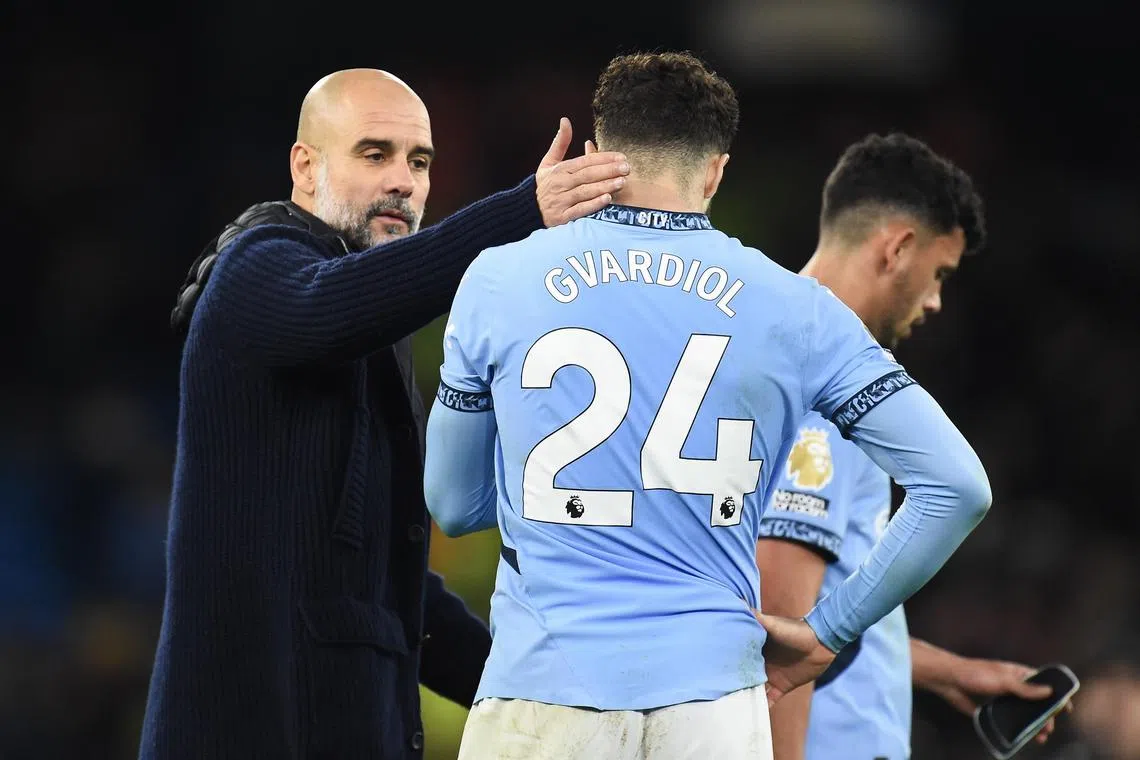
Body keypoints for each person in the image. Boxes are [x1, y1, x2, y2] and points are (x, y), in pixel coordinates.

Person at [422, 51, 991, 760]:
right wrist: (827, 633)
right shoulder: (795, 309)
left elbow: (452, 502)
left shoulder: (498, 278)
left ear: (597, 154)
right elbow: (958, 487)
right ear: (717, 170)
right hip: (713, 708)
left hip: (542, 695)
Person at [139, 68, 630, 760]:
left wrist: (548, 698)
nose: (404, 180)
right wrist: (522, 213)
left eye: (420, 161)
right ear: (305, 168)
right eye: (375, 155)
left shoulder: (379, 330)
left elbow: (393, 595)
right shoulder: (255, 273)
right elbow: (328, 307)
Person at [755, 132, 1070, 760]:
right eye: (939, 274)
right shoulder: (833, 391)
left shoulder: (776, 347)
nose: (934, 301)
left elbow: (820, 609)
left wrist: (945, 672)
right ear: (899, 247)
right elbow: (779, 630)